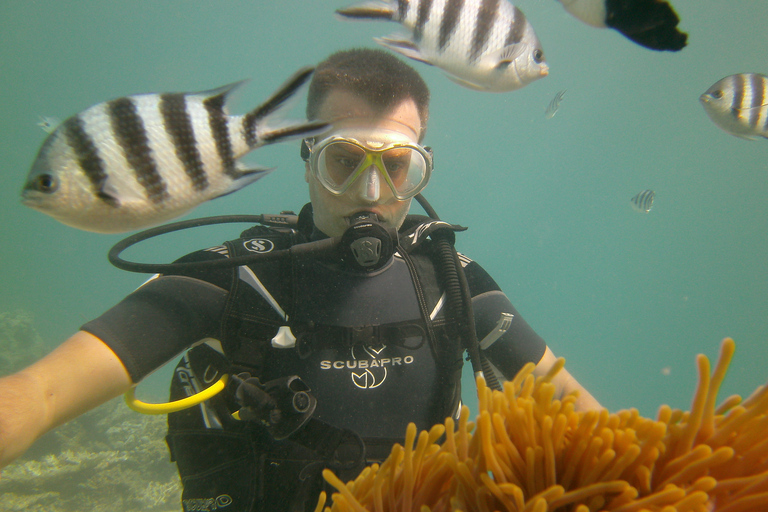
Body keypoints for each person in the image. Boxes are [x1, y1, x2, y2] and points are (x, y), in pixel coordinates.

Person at [0, 48, 600, 511]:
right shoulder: (231, 277)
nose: (372, 193)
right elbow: (40, 394)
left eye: (396, 166)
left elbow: (587, 420)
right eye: (344, 160)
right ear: (308, 156)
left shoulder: (450, 279)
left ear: (421, 168)